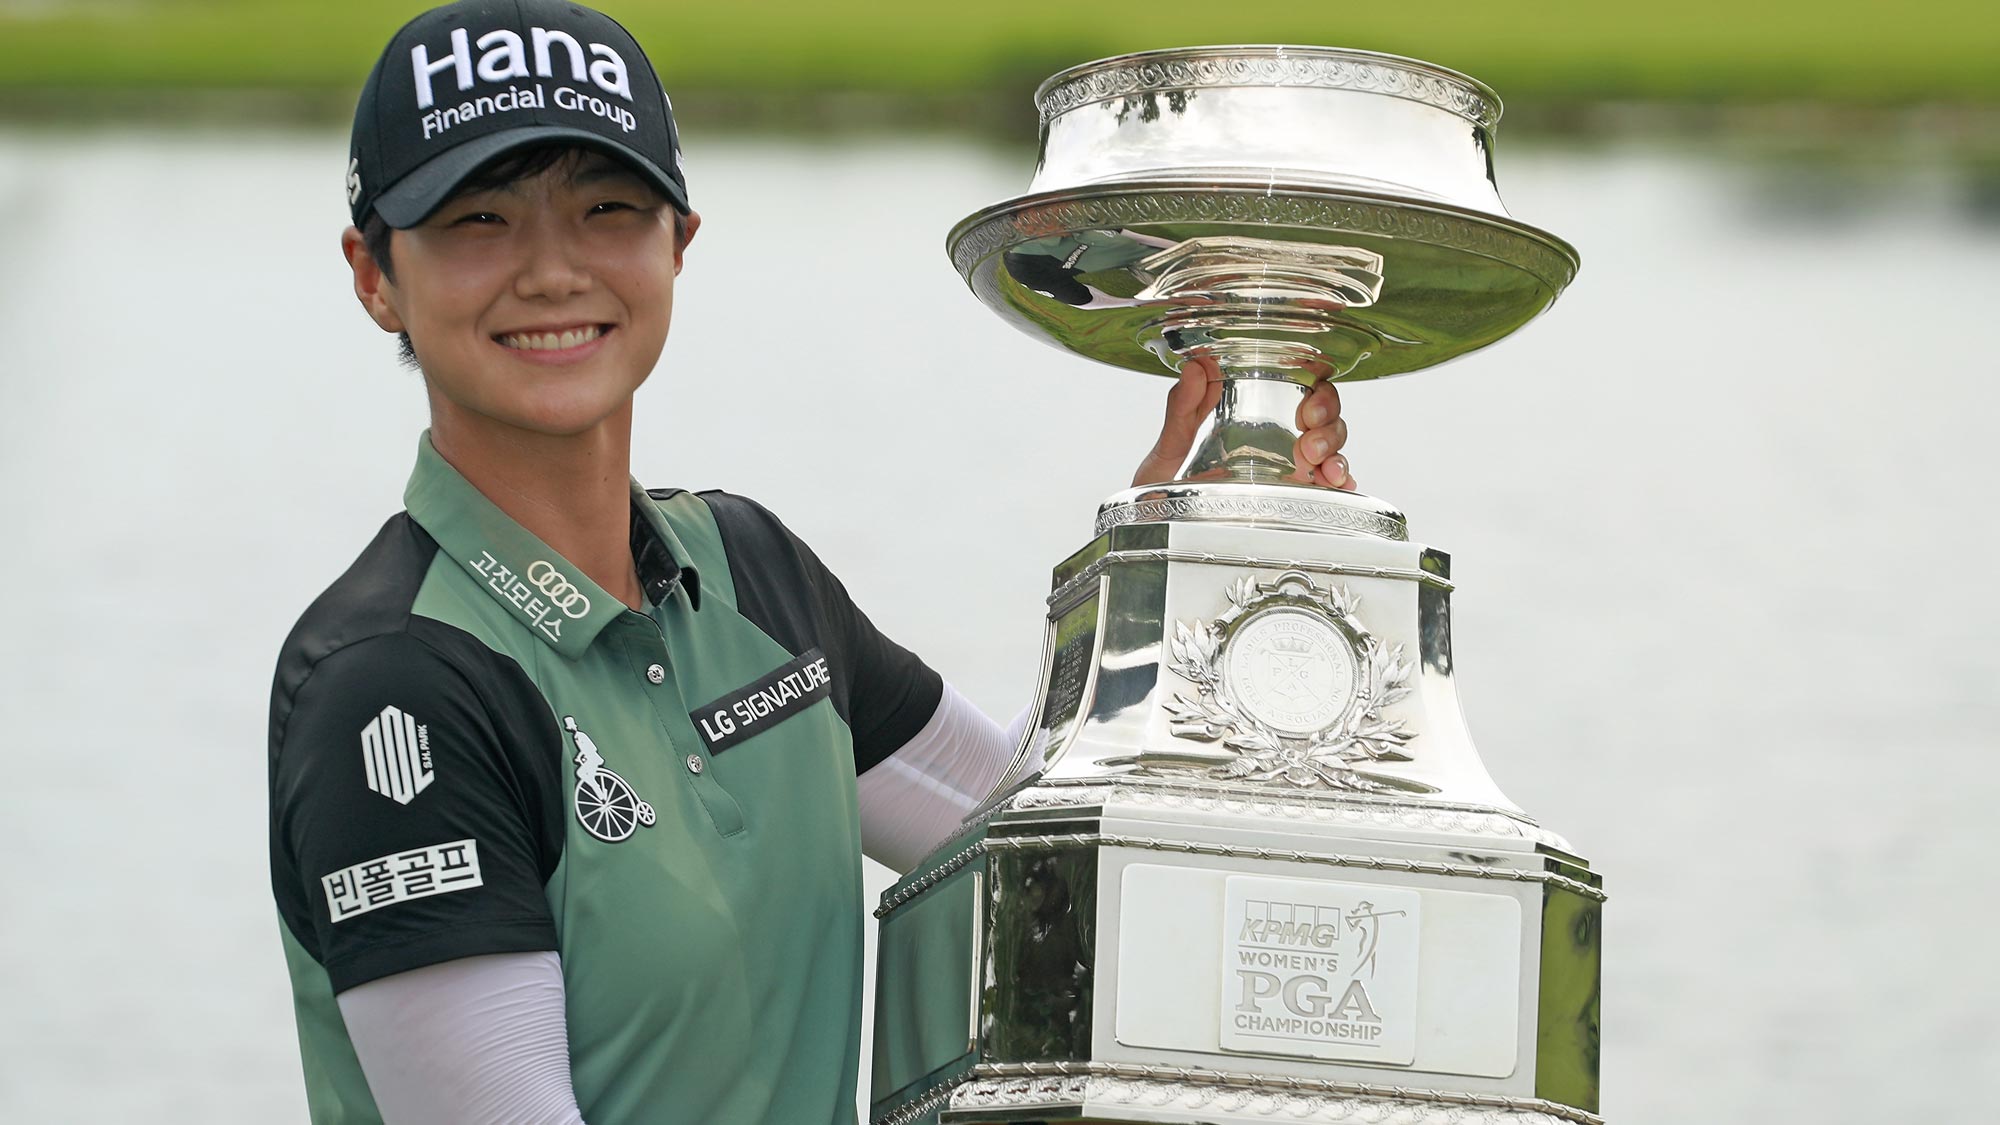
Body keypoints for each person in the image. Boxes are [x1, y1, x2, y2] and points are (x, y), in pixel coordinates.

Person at [266, 2, 1357, 1123]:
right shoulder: (393, 685)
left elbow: (1065, 863)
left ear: (677, 242)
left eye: (605, 208)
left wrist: (1183, 556)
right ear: (375, 275)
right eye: (477, 219)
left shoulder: (750, 571)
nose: (550, 271)